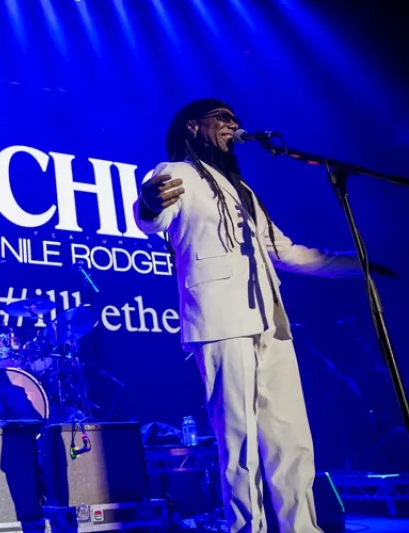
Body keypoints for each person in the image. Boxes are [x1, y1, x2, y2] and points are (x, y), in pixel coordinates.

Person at [133, 98, 394, 533]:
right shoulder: (175, 172)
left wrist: (359, 263)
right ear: (193, 127)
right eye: (222, 117)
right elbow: (153, 219)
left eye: (235, 118)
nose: (233, 124)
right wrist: (148, 205)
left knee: (291, 439)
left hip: (271, 324)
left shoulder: (244, 190)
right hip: (221, 320)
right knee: (238, 442)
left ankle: (302, 528)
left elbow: (286, 252)